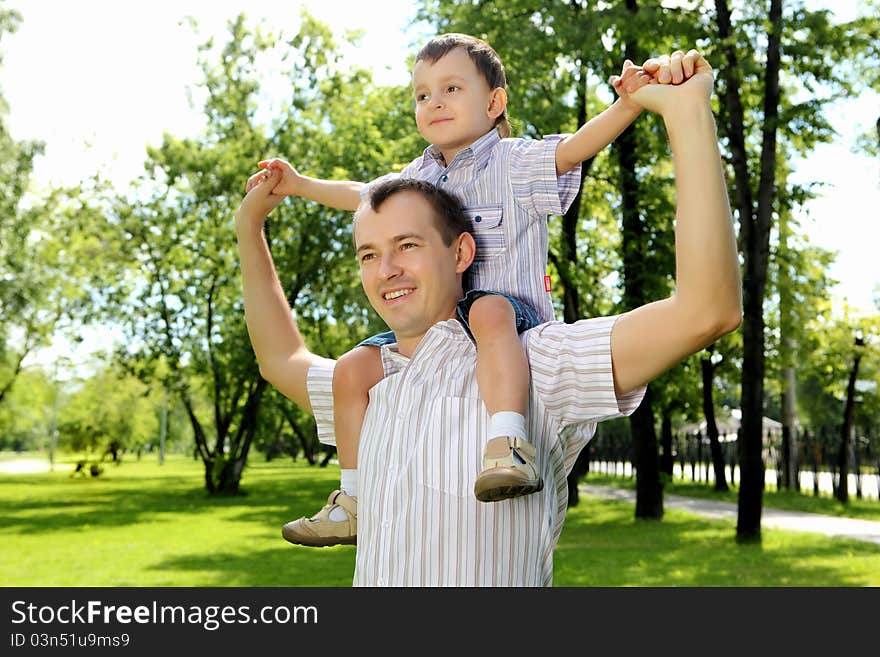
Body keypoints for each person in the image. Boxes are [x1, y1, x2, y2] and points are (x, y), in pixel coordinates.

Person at [235, 49, 742, 585]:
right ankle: (351, 500)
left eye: (407, 244)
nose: (386, 269)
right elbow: (280, 356)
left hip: (508, 324)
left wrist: (667, 111)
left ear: (461, 252)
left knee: (493, 313)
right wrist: (267, 213)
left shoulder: (536, 365)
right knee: (353, 364)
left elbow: (705, 310)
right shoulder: (374, 381)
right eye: (368, 254)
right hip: (441, 338)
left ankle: (507, 440)